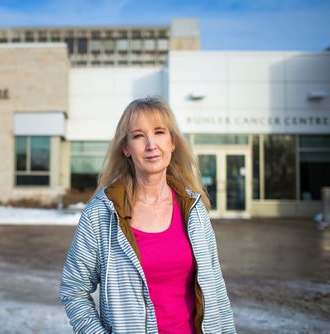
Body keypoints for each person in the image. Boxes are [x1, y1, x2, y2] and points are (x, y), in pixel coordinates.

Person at [59, 96, 236, 333]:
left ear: (172, 142)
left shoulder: (193, 209)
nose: (151, 144)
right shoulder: (101, 214)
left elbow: (216, 288)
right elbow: (73, 289)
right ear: (126, 148)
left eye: (160, 132)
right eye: (139, 135)